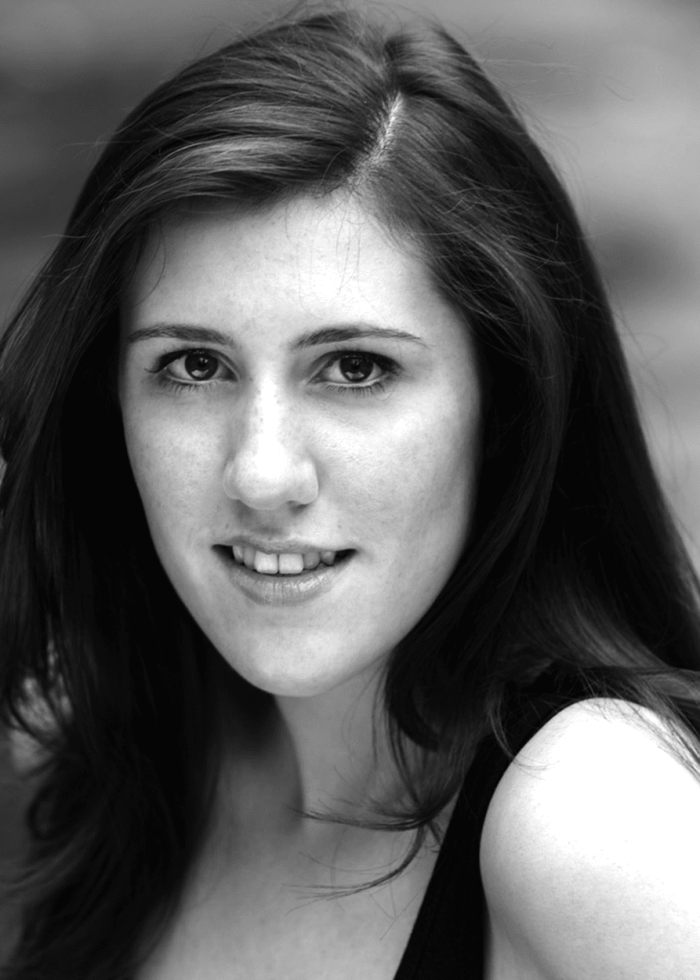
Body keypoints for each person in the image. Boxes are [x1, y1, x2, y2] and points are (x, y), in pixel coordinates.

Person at [2, 5, 700, 978]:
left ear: (503, 405)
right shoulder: (123, 773)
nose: (261, 474)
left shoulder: (592, 813)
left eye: (356, 369)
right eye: (196, 365)